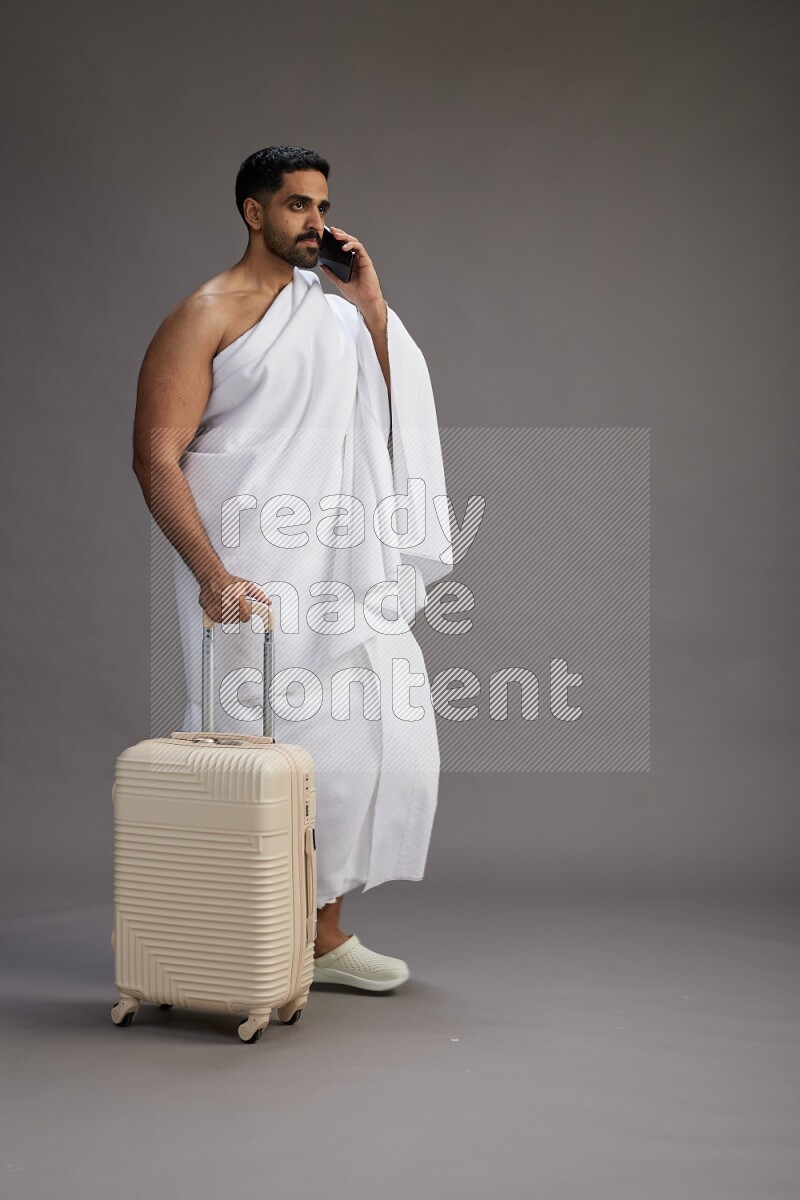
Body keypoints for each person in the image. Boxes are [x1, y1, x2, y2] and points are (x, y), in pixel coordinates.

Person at [132, 145, 452, 992]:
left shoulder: (338, 314)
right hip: (252, 569)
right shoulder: (203, 315)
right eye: (298, 205)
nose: (317, 223)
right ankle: (244, 942)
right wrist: (211, 574)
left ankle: (323, 937)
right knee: (256, 753)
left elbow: (392, 411)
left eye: (323, 206)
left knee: (360, 746)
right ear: (254, 212)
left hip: (345, 559)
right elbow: (156, 458)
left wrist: (371, 305)